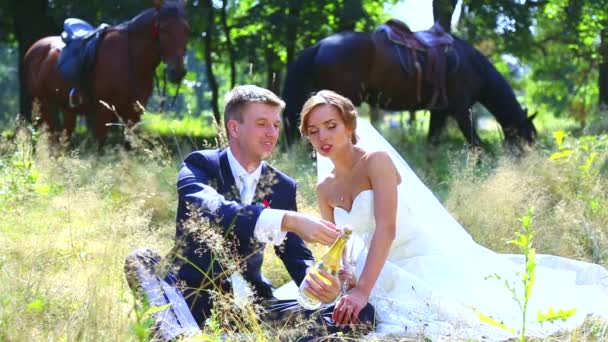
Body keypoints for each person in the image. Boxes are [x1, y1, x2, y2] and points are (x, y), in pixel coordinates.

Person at [298, 90, 608, 340]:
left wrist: (364, 290)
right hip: (370, 265)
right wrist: (342, 281)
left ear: (350, 126)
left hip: (414, 258)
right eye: (313, 131)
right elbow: (338, 247)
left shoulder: (375, 161)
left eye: (331, 125)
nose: (322, 136)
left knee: (460, 317)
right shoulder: (324, 187)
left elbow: (387, 229)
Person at [164, 85, 375, 337]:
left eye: (276, 124)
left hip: (253, 306)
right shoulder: (201, 165)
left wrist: (318, 284)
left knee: (360, 315)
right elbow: (211, 208)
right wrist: (289, 220)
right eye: (262, 123)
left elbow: (295, 255)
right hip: (195, 301)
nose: (271, 133)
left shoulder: (282, 186)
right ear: (234, 128)